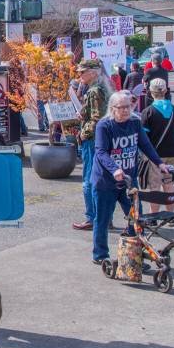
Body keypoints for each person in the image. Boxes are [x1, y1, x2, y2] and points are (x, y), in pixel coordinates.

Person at [91, 91, 168, 264]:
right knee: (102, 220)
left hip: (129, 181)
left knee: (136, 220)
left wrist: (159, 163)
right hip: (106, 181)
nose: (126, 110)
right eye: (122, 107)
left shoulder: (134, 122)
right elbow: (101, 152)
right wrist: (114, 169)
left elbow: (145, 144)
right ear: (113, 108)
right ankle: (100, 255)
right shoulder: (104, 125)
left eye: (128, 106)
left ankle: (135, 256)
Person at [72, 59, 113, 232]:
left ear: (94, 73)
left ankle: (92, 217)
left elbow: (96, 119)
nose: (80, 75)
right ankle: (103, 217)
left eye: (83, 72)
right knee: (99, 179)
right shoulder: (102, 88)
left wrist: (83, 132)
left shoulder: (95, 91)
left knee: (89, 180)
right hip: (102, 138)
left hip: (93, 139)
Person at [139, 79, 174, 212]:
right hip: (173, 153)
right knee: (169, 183)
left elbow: (143, 138)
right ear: (165, 91)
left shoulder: (148, 111)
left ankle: (154, 217)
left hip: (155, 156)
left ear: (150, 92)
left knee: (155, 186)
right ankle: (170, 215)